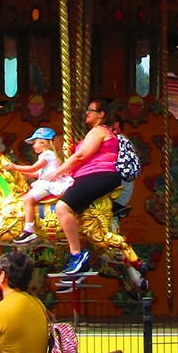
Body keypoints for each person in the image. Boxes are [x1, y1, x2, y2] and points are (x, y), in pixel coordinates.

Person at [48, 97, 123, 277]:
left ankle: (77, 255)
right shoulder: (98, 132)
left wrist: (58, 172)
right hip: (91, 175)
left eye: (91, 110)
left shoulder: (99, 131)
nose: (87, 113)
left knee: (62, 207)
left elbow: (81, 156)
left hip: (99, 174)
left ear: (101, 114)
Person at [15, 127, 70, 232]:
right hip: (46, 183)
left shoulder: (47, 155)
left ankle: (28, 229)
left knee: (28, 200)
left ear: (42, 143)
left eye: (34, 143)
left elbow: (33, 168)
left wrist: (15, 167)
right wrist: (20, 172)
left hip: (48, 185)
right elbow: (37, 173)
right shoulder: (49, 155)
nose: (33, 146)